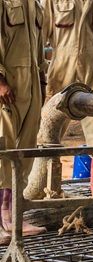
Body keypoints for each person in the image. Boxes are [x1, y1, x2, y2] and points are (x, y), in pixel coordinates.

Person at [43, 0, 93, 193]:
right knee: (49, 131)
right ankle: (46, 189)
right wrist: (38, 69)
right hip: (62, 68)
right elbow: (39, 33)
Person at [0, 0, 48, 243]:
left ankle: (13, 216)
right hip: (6, 84)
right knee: (3, 150)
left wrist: (42, 79)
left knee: (24, 150)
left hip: (30, 86)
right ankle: (2, 219)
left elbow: (38, 46)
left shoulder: (35, 4)